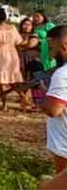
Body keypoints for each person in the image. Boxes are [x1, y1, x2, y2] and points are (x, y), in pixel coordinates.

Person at [42, 25, 67, 177]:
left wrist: (42, 98)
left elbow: (53, 110)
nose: (50, 55)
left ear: (64, 47)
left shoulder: (62, 74)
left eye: (52, 49)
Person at [0, 7, 23, 111]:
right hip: (12, 53)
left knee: (2, 81)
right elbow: (19, 42)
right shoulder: (13, 28)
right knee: (13, 78)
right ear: (6, 17)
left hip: (0, 54)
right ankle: (22, 96)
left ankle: (5, 104)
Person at [18, 17, 43, 109]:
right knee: (22, 80)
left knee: (35, 81)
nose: (27, 26)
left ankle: (37, 103)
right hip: (20, 60)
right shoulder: (18, 34)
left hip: (33, 60)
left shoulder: (34, 35)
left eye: (29, 24)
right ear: (21, 25)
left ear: (32, 26)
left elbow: (31, 44)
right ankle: (23, 101)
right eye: (25, 24)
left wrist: (21, 45)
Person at [35, 11, 58, 75]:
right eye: (34, 16)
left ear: (43, 16)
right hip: (39, 51)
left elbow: (55, 37)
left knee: (49, 68)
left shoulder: (49, 25)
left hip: (48, 49)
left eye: (37, 16)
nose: (35, 18)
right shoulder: (35, 27)